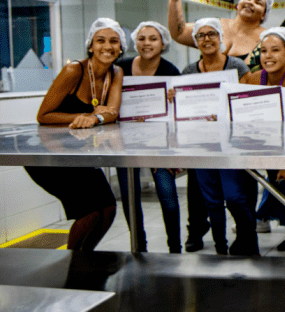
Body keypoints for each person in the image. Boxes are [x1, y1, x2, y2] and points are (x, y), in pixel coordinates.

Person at [30, 18, 125, 250]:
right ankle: (74, 264)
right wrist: (86, 115)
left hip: (81, 152)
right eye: (100, 40)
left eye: (114, 41)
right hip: (51, 154)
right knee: (90, 213)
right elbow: (43, 115)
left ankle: (85, 260)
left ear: (120, 47)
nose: (107, 46)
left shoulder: (116, 73)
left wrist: (96, 117)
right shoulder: (74, 70)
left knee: (109, 210)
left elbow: (112, 111)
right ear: (90, 46)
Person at [180, 18, 255, 256]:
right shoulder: (189, 72)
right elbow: (184, 110)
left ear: (220, 37)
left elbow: (247, 103)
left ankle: (249, 243)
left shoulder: (237, 67)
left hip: (232, 144)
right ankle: (221, 251)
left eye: (211, 33)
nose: (206, 39)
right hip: (203, 145)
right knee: (211, 201)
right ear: (195, 42)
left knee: (234, 198)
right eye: (200, 35)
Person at [115, 21, 183, 253]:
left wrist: (175, 99)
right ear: (135, 41)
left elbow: (178, 113)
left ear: (163, 43)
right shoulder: (120, 67)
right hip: (126, 142)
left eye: (153, 38)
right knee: (129, 199)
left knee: (169, 198)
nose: (147, 43)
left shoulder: (171, 70)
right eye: (142, 38)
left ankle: (175, 248)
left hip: (160, 144)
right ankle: (139, 247)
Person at [242, 27, 285, 256]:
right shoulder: (253, 77)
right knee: (278, 193)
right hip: (269, 141)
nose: (268, 56)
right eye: (264, 51)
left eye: (275, 50)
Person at [168, 0, 273, 70]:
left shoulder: (266, 39)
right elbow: (179, 33)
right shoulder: (213, 25)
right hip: (211, 91)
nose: (251, 2)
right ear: (238, 4)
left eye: (258, 2)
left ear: (264, 14)